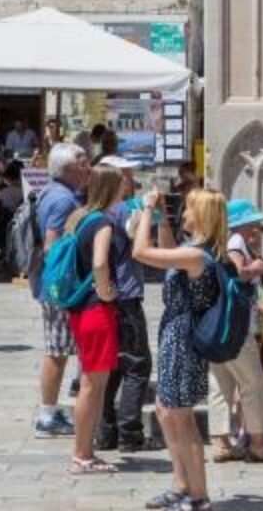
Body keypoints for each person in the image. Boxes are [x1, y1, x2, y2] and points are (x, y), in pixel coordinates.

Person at [132, 187, 226, 511]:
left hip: (184, 339)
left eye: (187, 209)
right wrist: (162, 218)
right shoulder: (191, 251)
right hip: (175, 334)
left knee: (181, 417)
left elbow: (141, 252)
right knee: (165, 410)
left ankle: (198, 496)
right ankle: (181, 484)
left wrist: (146, 210)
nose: (183, 213)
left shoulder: (198, 256)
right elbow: (168, 253)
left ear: (201, 215)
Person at [60, 164, 129, 474]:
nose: (126, 188)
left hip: (80, 309)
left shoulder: (81, 217)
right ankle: (82, 454)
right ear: (112, 187)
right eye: (122, 183)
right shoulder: (102, 222)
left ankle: (85, 451)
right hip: (96, 309)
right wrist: (106, 291)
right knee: (92, 385)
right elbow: (100, 262)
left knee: (93, 383)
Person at [99, 157, 168, 453]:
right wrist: (149, 207)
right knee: (137, 365)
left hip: (103, 299)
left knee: (111, 366)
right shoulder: (122, 210)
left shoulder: (93, 212)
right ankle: (130, 434)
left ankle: (105, 433)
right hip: (125, 297)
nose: (132, 181)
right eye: (127, 175)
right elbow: (137, 238)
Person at [209, 200, 263, 465]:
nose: (257, 228)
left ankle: (221, 443)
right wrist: (256, 268)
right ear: (242, 223)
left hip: (218, 327)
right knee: (255, 383)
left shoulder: (223, 243)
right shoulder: (236, 242)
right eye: (254, 222)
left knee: (221, 384)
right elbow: (239, 274)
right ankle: (259, 444)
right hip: (236, 329)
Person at [30, 143, 88, 437]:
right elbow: (51, 244)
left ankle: (52, 412)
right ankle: (47, 416)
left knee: (61, 349)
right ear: (66, 169)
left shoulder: (53, 192)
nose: (88, 168)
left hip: (54, 285)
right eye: (82, 163)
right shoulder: (63, 200)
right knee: (57, 350)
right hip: (59, 288)